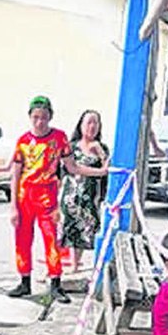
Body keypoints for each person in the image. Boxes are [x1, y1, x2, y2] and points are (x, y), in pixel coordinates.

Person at [8, 95, 86, 304]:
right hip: (25, 196)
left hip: (48, 198)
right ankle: (24, 281)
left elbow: (71, 167)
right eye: (35, 117)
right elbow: (15, 175)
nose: (39, 122)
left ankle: (56, 284)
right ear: (30, 117)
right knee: (22, 240)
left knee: (52, 240)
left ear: (50, 117)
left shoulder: (60, 138)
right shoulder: (23, 141)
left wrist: (100, 171)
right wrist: (13, 207)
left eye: (43, 117)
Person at [59, 110, 109, 272]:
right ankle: (69, 264)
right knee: (69, 228)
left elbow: (108, 169)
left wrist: (100, 152)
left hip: (91, 196)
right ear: (81, 125)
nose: (92, 126)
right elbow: (68, 169)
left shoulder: (102, 148)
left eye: (96, 123)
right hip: (71, 195)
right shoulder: (72, 147)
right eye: (89, 122)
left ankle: (77, 264)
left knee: (85, 230)